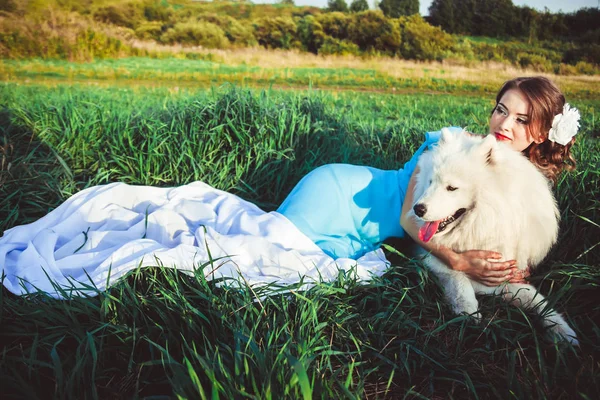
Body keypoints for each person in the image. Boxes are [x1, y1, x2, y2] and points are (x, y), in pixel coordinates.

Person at [277, 76, 579, 287]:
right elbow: (410, 220)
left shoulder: (514, 177)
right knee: (277, 252)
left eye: (521, 119)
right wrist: (458, 262)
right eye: (501, 110)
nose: (504, 123)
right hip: (343, 197)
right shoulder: (454, 145)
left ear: (541, 133)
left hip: (372, 232)